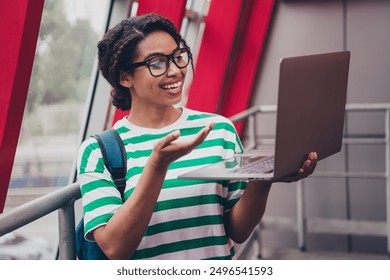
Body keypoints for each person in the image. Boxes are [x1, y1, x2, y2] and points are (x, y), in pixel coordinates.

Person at [77, 13, 317, 260]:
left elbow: (237, 230)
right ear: (124, 77)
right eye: (157, 63)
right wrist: (157, 167)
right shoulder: (98, 151)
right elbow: (115, 248)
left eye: (178, 57)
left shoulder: (219, 130)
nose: (175, 71)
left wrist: (262, 181)